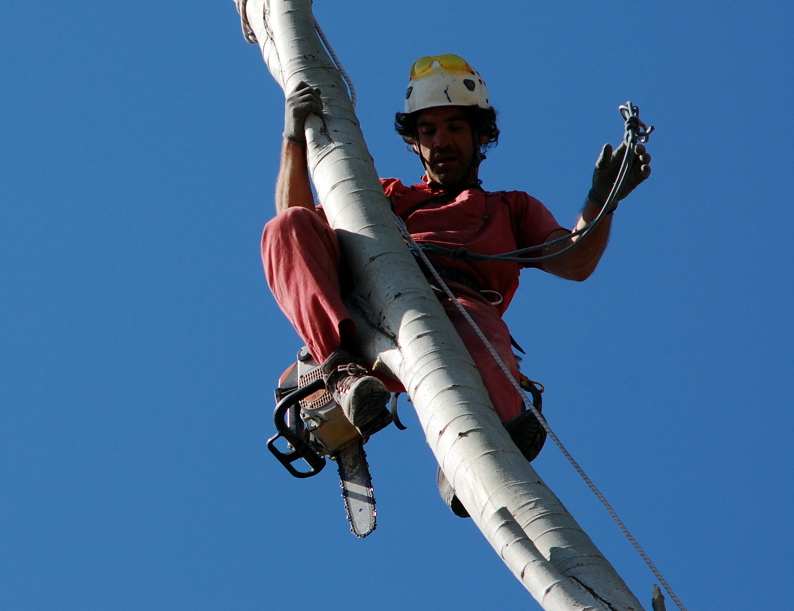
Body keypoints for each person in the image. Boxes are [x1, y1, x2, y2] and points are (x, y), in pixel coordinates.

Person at [260, 53, 651, 515]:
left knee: (485, 348)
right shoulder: (385, 196)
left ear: (482, 134)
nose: (441, 141)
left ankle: (475, 452)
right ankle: (338, 372)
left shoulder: (510, 209)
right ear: (414, 141)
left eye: (455, 127)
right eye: (427, 130)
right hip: (372, 307)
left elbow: (573, 259)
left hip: (462, 314)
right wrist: (293, 143)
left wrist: (601, 200)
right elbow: (297, 224)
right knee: (284, 228)